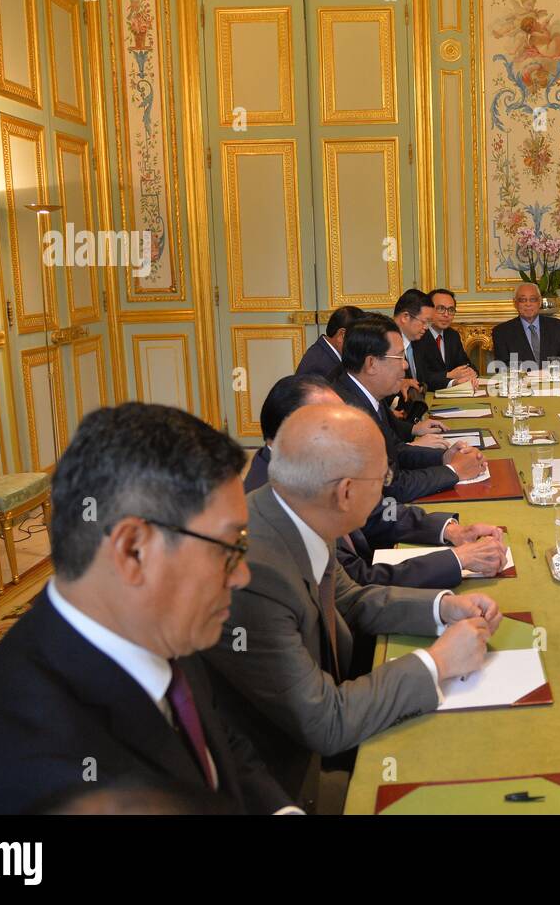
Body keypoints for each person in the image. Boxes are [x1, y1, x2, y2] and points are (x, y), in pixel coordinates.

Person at [0, 403, 294, 814]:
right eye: (229, 548)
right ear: (133, 550)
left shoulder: (152, 623)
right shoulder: (35, 783)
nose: (241, 575)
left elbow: (218, 746)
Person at [200, 404, 501, 810]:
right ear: (344, 492)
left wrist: (444, 608)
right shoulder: (255, 574)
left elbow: (350, 598)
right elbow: (325, 721)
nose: (385, 491)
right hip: (290, 779)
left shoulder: (299, 508)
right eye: (383, 481)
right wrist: (438, 664)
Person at [245, 373, 506, 586]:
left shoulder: (307, 463)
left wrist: (452, 531)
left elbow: (377, 513)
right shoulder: (276, 497)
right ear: (292, 431)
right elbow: (358, 583)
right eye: (330, 423)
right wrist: (456, 560)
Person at [329, 315, 484, 502]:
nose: (405, 365)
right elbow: (392, 486)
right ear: (371, 364)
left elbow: (396, 450)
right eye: (399, 356)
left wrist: (445, 457)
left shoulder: (366, 395)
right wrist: (454, 471)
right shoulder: (350, 413)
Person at [491, 282, 560, 369]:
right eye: (523, 300)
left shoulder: (558, 327)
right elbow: (501, 367)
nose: (528, 304)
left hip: (551, 380)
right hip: (521, 381)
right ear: (515, 303)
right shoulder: (501, 332)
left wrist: (549, 373)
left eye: (533, 299)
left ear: (539, 302)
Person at [415, 288, 478, 391]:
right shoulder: (419, 335)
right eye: (440, 308)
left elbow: (465, 364)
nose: (446, 314)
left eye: (451, 310)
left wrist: (471, 371)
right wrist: (449, 375)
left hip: (453, 394)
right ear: (428, 309)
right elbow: (421, 376)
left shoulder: (452, 336)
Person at [297, 305, 365, 380]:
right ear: (341, 335)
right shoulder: (319, 366)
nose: (361, 345)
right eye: (358, 339)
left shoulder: (324, 352)